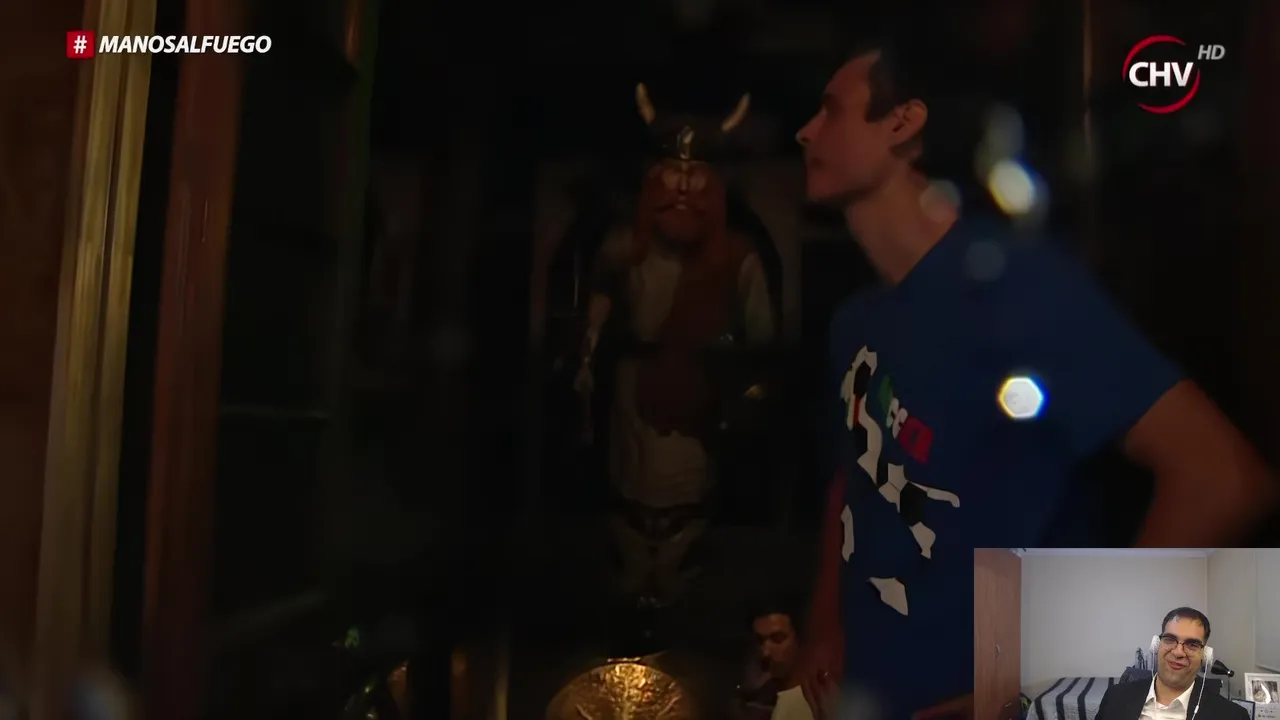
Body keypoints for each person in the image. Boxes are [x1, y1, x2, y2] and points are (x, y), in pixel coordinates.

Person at [793, 21, 1277, 720]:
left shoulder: (1014, 287)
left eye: (831, 111)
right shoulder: (856, 321)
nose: (806, 132)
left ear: (902, 122)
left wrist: (1065, 684)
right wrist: (823, 628)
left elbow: (1223, 479)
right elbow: (852, 479)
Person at [1095, 608, 1247, 720]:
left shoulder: (1232, 716)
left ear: (1205, 656)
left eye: (1192, 644)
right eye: (1169, 639)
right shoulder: (1115, 697)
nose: (1178, 652)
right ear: (1156, 645)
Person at [732, 600, 813, 720]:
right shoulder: (756, 701)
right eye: (759, 641)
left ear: (799, 640)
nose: (765, 652)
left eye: (777, 639)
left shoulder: (817, 702)